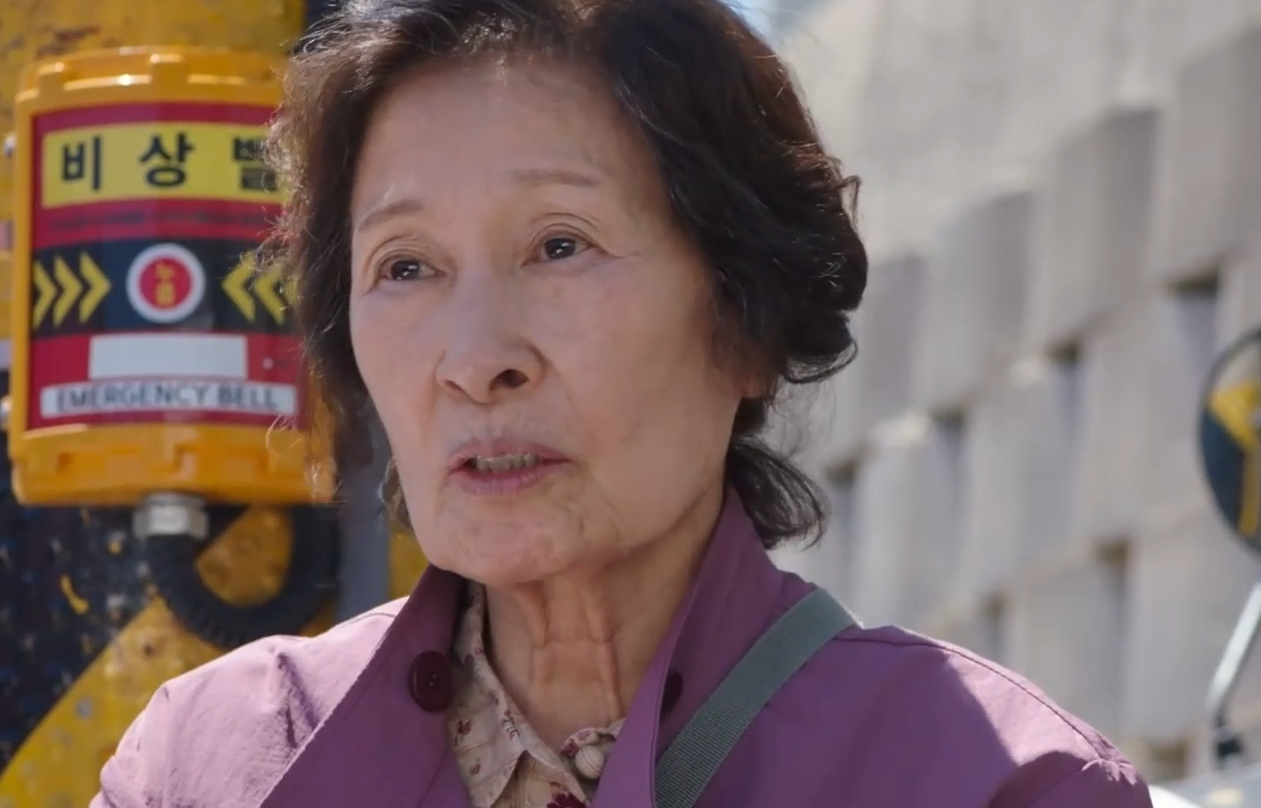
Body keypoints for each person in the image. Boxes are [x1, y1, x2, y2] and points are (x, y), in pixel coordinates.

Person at [92, 0, 1155, 806]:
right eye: (404, 266)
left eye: (561, 245)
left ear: (744, 322)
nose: (475, 361)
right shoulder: (209, 763)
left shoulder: (992, 781)